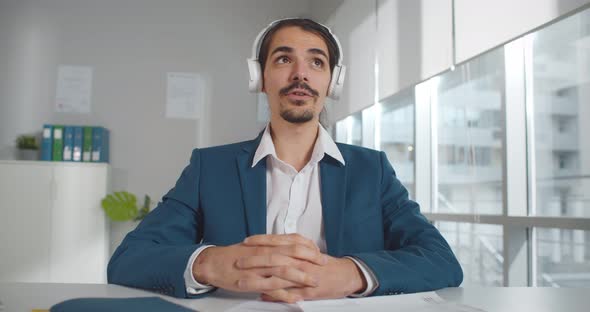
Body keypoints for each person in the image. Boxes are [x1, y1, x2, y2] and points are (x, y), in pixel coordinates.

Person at [107, 18, 463, 303]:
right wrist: (210, 264)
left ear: (332, 82)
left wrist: (350, 273)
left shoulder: (373, 170)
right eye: (283, 59)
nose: (300, 74)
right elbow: (129, 258)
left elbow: (439, 259)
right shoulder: (210, 168)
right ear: (259, 77)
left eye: (316, 62)